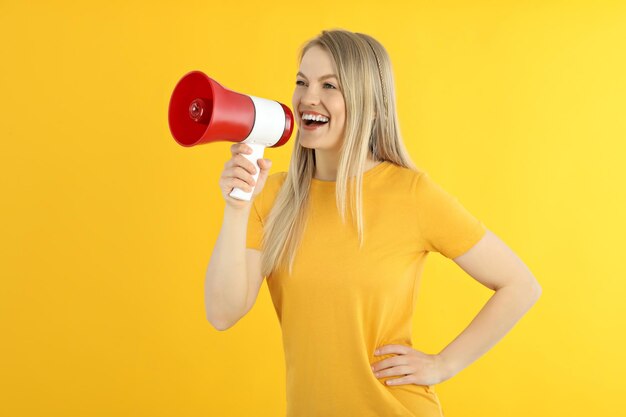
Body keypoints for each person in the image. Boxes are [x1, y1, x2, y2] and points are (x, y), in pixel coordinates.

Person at [206, 28, 542, 417]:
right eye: (302, 82)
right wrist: (236, 210)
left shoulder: (412, 194)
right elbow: (222, 312)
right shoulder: (271, 196)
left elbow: (521, 285)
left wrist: (443, 364)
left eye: (329, 85)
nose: (307, 98)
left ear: (371, 103)